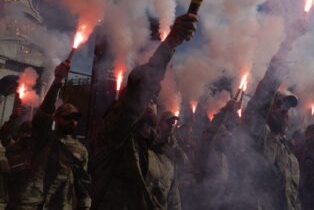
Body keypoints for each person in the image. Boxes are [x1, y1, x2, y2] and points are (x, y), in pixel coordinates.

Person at [90, 13, 196, 210]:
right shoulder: (114, 140)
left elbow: (173, 203)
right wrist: (170, 44)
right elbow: (138, 92)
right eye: (147, 98)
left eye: (154, 99)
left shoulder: (165, 157)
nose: (149, 103)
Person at [11, 61, 91, 210]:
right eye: (67, 117)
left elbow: (83, 184)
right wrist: (57, 81)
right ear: (56, 118)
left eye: (75, 119)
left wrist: (85, 206)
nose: (72, 122)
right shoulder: (44, 137)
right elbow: (44, 114)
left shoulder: (81, 150)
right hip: (31, 203)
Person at [246, 90, 302, 210]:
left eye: (288, 107)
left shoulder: (289, 151)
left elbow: (292, 196)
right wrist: (274, 74)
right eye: (279, 104)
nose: (284, 110)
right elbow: (256, 111)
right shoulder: (260, 136)